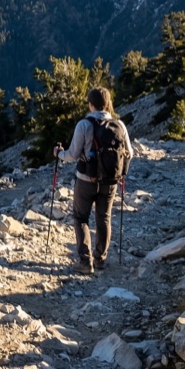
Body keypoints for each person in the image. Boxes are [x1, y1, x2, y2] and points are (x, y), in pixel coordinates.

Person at [54, 86, 132, 271]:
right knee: (104, 218)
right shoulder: (119, 125)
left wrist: (58, 153)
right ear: (107, 103)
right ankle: (100, 259)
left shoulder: (84, 125)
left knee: (81, 217)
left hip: (86, 179)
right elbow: (129, 153)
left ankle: (85, 262)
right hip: (110, 181)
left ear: (91, 104)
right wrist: (121, 173)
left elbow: (72, 155)